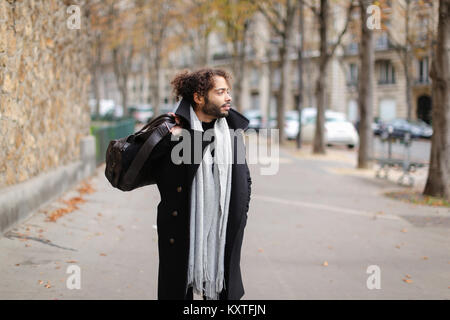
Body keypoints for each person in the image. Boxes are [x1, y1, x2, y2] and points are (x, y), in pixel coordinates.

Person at [144, 68, 252, 300]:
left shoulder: (232, 133)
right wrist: (166, 138)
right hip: (183, 232)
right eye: (220, 92)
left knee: (222, 294)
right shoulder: (175, 133)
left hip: (223, 231)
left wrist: (240, 214)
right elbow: (144, 168)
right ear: (199, 97)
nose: (228, 98)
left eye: (227, 91)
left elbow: (245, 179)